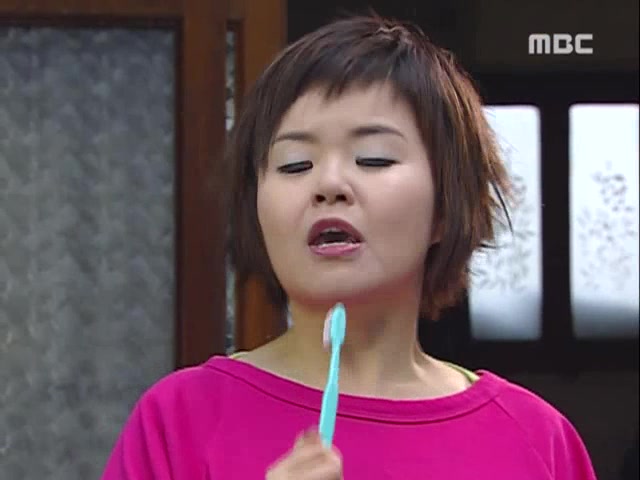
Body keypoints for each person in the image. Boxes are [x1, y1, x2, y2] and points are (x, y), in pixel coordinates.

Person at [101, 13, 597, 480]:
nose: (329, 184)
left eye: (374, 158)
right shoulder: (179, 420)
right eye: (295, 165)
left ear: (445, 207)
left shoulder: (537, 439)